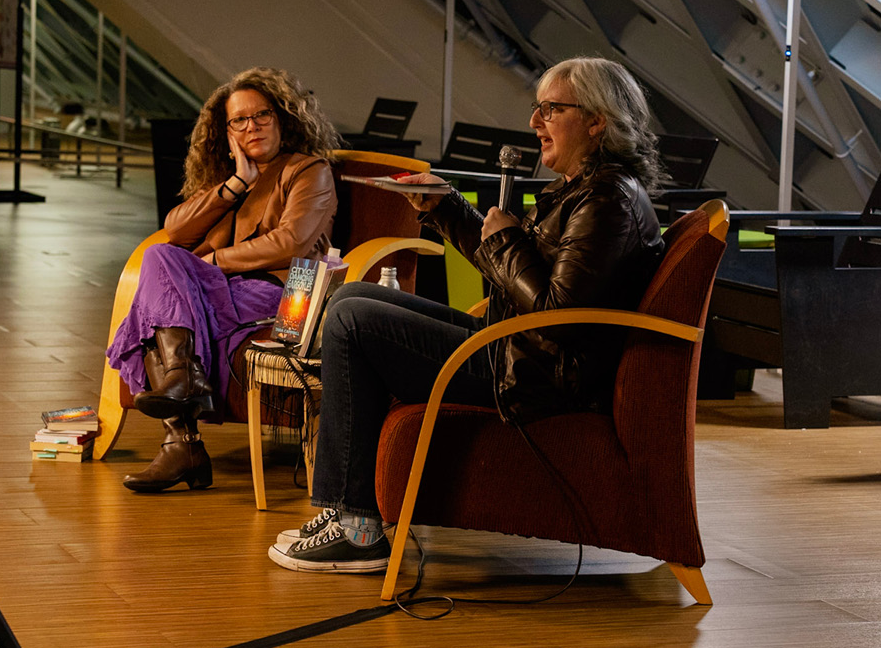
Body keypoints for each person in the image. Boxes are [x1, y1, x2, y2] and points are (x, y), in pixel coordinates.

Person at [268, 56, 668, 572]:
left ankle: (357, 527)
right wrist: (447, 207)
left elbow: (559, 314)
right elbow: (525, 284)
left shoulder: (607, 201)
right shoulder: (587, 190)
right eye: (537, 107)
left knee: (351, 321)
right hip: (516, 351)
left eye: (551, 109)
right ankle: (348, 511)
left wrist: (505, 237)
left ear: (598, 121)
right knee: (351, 300)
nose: (535, 122)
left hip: (535, 376)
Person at [106, 66, 340, 493]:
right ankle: (185, 396)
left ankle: (183, 436)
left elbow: (290, 243)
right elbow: (176, 229)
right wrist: (235, 184)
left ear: (283, 116)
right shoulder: (230, 179)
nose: (251, 127)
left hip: (280, 295)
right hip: (219, 295)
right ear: (227, 131)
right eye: (239, 120)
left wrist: (213, 262)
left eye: (261, 115)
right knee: (162, 260)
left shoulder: (309, 171)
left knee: (157, 290)